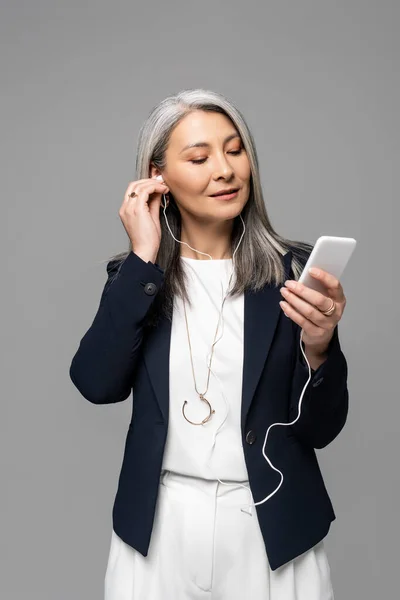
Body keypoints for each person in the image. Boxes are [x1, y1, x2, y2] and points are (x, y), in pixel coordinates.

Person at [69, 88, 349, 599]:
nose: (224, 169)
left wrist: (320, 347)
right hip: (158, 527)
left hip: (272, 528)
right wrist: (143, 259)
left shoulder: (294, 271)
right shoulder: (135, 278)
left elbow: (321, 428)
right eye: (199, 157)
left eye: (235, 150)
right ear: (159, 177)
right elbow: (96, 384)